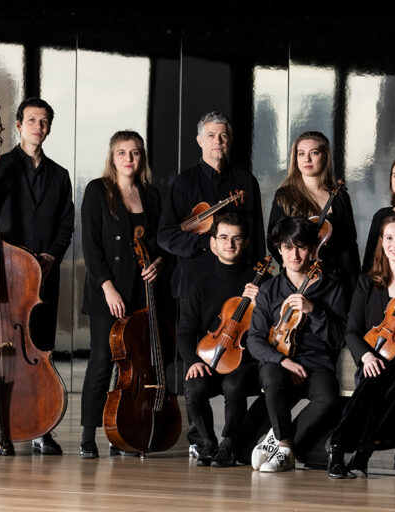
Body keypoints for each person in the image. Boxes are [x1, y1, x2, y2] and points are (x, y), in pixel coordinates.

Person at [157, 111, 266, 454]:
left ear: (229, 141)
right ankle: (200, 441)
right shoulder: (183, 183)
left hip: (238, 281)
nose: (218, 141)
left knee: (237, 364)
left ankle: (232, 441)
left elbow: (257, 237)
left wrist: (260, 277)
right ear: (199, 141)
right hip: (195, 281)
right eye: (212, 135)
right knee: (194, 352)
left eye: (223, 136)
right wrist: (207, 243)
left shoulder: (245, 181)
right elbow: (165, 235)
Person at [0, 97, 73, 456]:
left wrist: (52, 256)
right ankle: (0, 425)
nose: (38, 127)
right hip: (6, 277)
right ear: (17, 125)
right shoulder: (0, 165)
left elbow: (66, 225)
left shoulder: (60, 176)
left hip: (43, 277)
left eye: (44, 121)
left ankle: (41, 428)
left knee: (40, 350)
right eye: (32, 120)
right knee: (4, 351)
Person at [78, 131, 166, 458]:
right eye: (121, 153)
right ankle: (88, 436)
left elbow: (159, 242)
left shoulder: (151, 194)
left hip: (142, 291)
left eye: (135, 153)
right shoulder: (98, 191)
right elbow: (91, 245)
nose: (129, 159)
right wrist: (107, 287)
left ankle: (123, 432)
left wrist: (157, 263)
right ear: (112, 157)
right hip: (108, 291)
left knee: (133, 366)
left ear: (141, 158)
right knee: (102, 361)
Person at [328, 214, 395, 479]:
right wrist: (365, 357)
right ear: (381, 243)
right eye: (389, 238)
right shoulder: (367, 283)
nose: (394, 244)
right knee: (375, 378)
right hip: (377, 358)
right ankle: (346, 450)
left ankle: (351, 447)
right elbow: (351, 331)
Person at [246, 217, 348, 472]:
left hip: (317, 362)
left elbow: (338, 338)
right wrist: (283, 361)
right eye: (289, 247)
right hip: (280, 360)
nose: (295, 254)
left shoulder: (333, 288)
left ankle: (282, 443)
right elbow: (255, 339)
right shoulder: (269, 290)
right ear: (280, 249)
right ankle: (285, 445)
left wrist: (313, 310)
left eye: (302, 247)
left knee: (327, 398)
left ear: (313, 250)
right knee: (270, 375)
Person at [176, 212, 269, 467]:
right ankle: (207, 443)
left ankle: (229, 445)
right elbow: (184, 333)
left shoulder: (262, 282)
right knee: (194, 387)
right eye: (224, 237)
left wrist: (262, 303)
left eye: (237, 239)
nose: (230, 244)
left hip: (245, 361)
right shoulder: (200, 285)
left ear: (246, 243)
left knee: (234, 385)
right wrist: (194, 361)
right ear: (213, 243)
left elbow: (276, 329)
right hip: (210, 357)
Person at [268, 131, 359, 293]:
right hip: (300, 282)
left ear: (325, 156)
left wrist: (355, 284)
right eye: (301, 154)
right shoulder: (285, 195)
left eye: (314, 153)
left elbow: (350, 245)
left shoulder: (340, 196)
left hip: (337, 282)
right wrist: (297, 268)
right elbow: (274, 240)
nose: (307, 159)